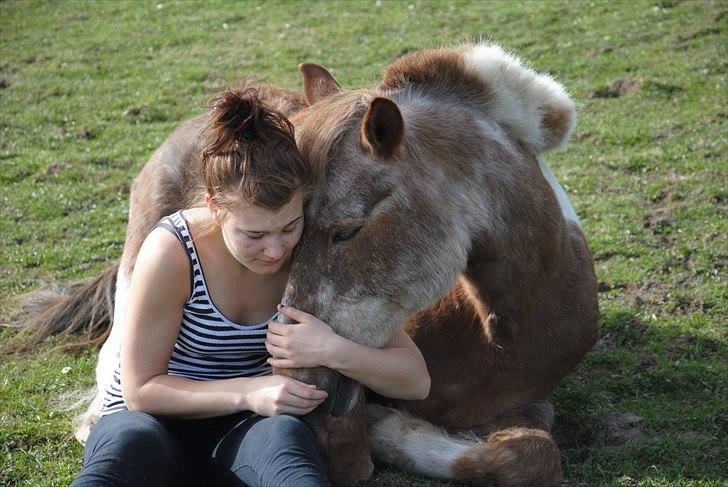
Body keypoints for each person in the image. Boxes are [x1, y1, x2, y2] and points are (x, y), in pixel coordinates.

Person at [71, 85, 431, 487]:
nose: (275, 250)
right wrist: (249, 393)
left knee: (287, 442)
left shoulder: (313, 253)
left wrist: (333, 348)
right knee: (127, 445)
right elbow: (140, 391)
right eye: (253, 234)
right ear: (213, 206)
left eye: (289, 227)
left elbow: (414, 379)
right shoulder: (172, 251)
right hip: (151, 425)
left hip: (248, 434)